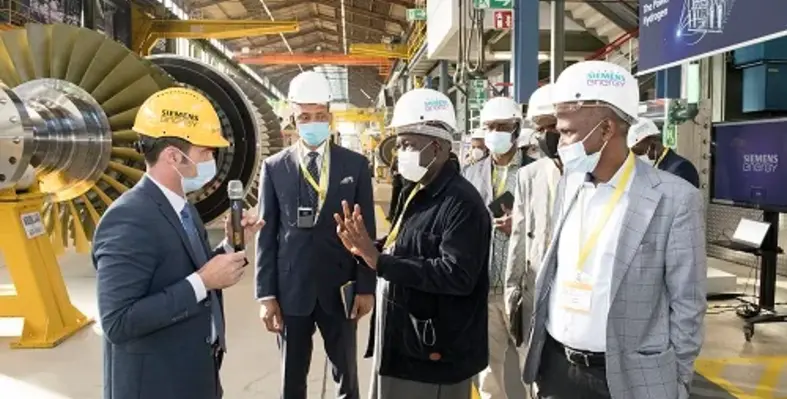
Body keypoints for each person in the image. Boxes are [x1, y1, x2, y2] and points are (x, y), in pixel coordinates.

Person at [521, 60, 707, 399]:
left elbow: (688, 303)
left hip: (629, 381)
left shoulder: (674, 199)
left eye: (566, 132)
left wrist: (678, 381)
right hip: (557, 371)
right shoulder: (570, 184)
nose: (559, 144)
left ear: (606, 130)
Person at [93, 87, 264, 399]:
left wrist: (229, 246)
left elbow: (183, 268)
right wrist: (202, 283)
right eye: (206, 152)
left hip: (194, 372)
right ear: (173, 156)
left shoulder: (181, 208)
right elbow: (117, 321)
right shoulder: (129, 219)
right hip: (157, 384)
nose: (212, 160)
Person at [334, 88, 491, 399]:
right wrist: (370, 247)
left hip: (435, 357)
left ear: (435, 146)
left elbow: (456, 275)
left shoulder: (461, 203)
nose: (399, 154)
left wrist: (380, 262)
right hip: (406, 344)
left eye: (407, 145)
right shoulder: (417, 191)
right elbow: (411, 245)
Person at [255, 70, 376, 399]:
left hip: (340, 289)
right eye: (305, 116)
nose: (313, 122)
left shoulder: (355, 166)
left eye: (320, 116)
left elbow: (367, 233)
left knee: (347, 376)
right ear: (293, 118)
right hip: (291, 291)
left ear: (330, 117)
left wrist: (366, 287)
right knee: (292, 378)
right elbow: (266, 236)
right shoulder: (274, 168)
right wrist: (266, 296)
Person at [461, 95, 532, 399]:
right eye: (490, 127)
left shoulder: (537, 171)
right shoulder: (471, 173)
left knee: (532, 364)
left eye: (503, 126)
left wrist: (521, 223)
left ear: (516, 129)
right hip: (484, 285)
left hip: (523, 286)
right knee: (488, 370)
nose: (496, 133)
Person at [503, 84, 563, 390]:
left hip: (578, 306)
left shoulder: (598, 175)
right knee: (539, 380)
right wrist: (512, 291)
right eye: (540, 128)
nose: (547, 134)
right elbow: (519, 238)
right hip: (537, 294)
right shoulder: (530, 176)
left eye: (553, 125)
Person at [628, 117, 700, 188]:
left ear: (653, 142)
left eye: (639, 152)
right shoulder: (655, 169)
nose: (638, 158)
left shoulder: (681, 168)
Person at [388, 154, 403, 222]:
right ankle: (391, 215)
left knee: (403, 199)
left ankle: (400, 216)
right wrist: (394, 173)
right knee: (394, 199)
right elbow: (391, 169)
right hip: (397, 181)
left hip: (406, 183)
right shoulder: (396, 157)